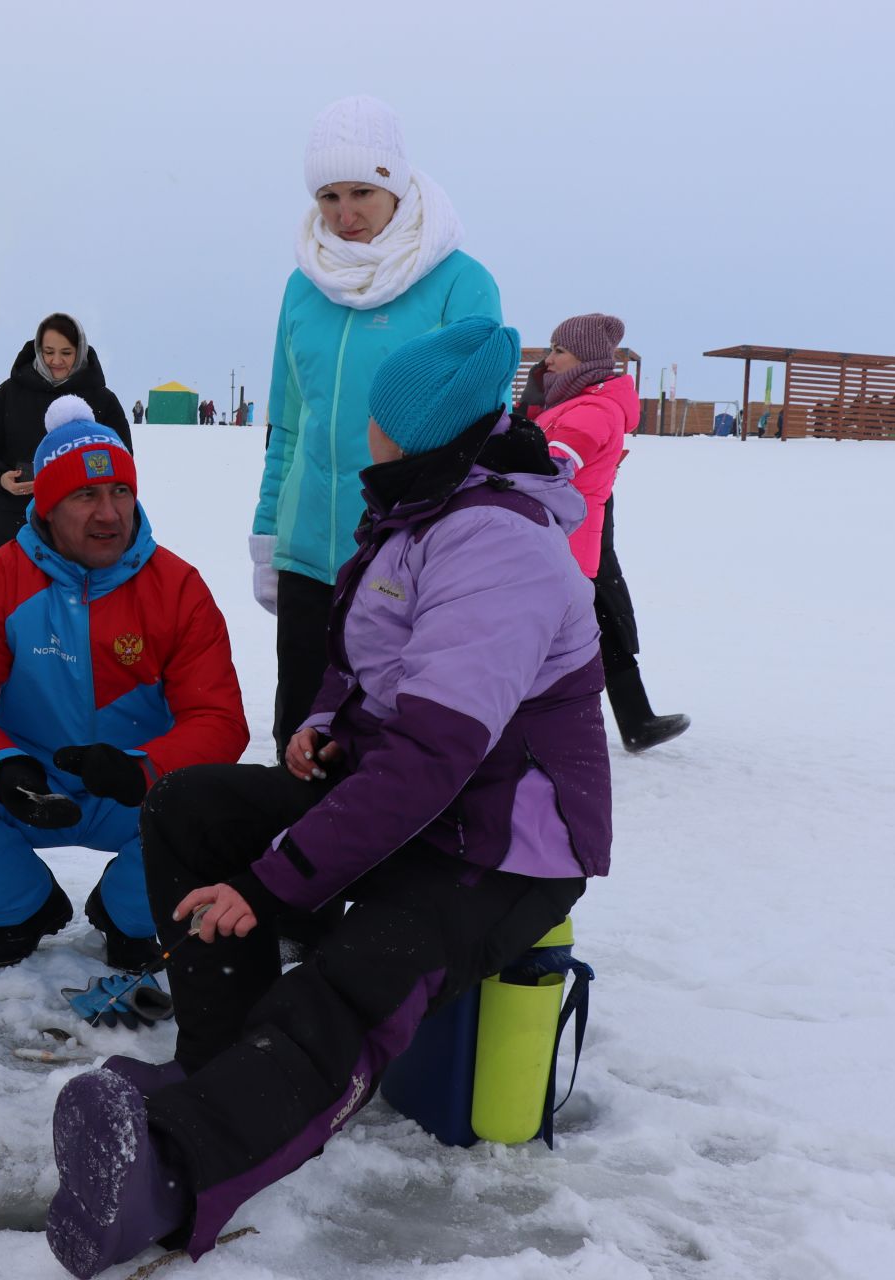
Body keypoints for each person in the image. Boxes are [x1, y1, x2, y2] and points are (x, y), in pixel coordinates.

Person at [43, 318, 609, 1277]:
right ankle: (224, 1055)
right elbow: (383, 677)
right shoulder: (422, 516)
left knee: (353, 975)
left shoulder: (498, 548)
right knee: (188, 808)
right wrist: (330, 727)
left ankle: (176, 1165)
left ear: (409, 429)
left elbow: (435, 752)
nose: (364, 433)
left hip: (499, 849)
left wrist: (269, 888)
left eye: (376, 418)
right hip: (419, 812)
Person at [0, 398, 248, 971]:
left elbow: (220, 722)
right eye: (86, 496)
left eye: (121, 493)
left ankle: (128, 916)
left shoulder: (179, 588)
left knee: (214, 807)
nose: (109, 514)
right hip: (32, 784)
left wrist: (143, 769)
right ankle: (23, 909)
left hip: (134, 785)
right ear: (48, 506)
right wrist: (4, 767)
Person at [250, 95, 502, 760]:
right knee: (297, 743)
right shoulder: (303, 286)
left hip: (402, 560)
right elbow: (288, 426)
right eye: (329, 196)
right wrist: (271, 534)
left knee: (384, 750)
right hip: (309, 558)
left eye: (362, 191)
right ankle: (288, 862)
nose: (344, 214)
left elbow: (476, 441)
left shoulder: (459, 284)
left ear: (396, 184)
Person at [523, 313, 689, 753]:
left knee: (582, 624)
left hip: (571, 531)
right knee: (592, 621)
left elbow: (551, 464)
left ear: (587, 358)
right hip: (570, 527)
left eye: (559, 350)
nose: (548, 359)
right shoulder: (571, 402)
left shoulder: (594, 407)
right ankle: (634, 719)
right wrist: (532, 410)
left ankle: (614, 720)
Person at [0, 314, 132, 561]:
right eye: (48, 351)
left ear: (80, 352)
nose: (56, 361)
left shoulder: (103, 400)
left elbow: (121, 460)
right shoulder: (9, 393)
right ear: (37, 349)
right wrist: (0, 478)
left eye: (66, 353)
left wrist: (80, 487)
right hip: (10, 520)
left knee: (69, 598)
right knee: (2, 595)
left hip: (78, 524)